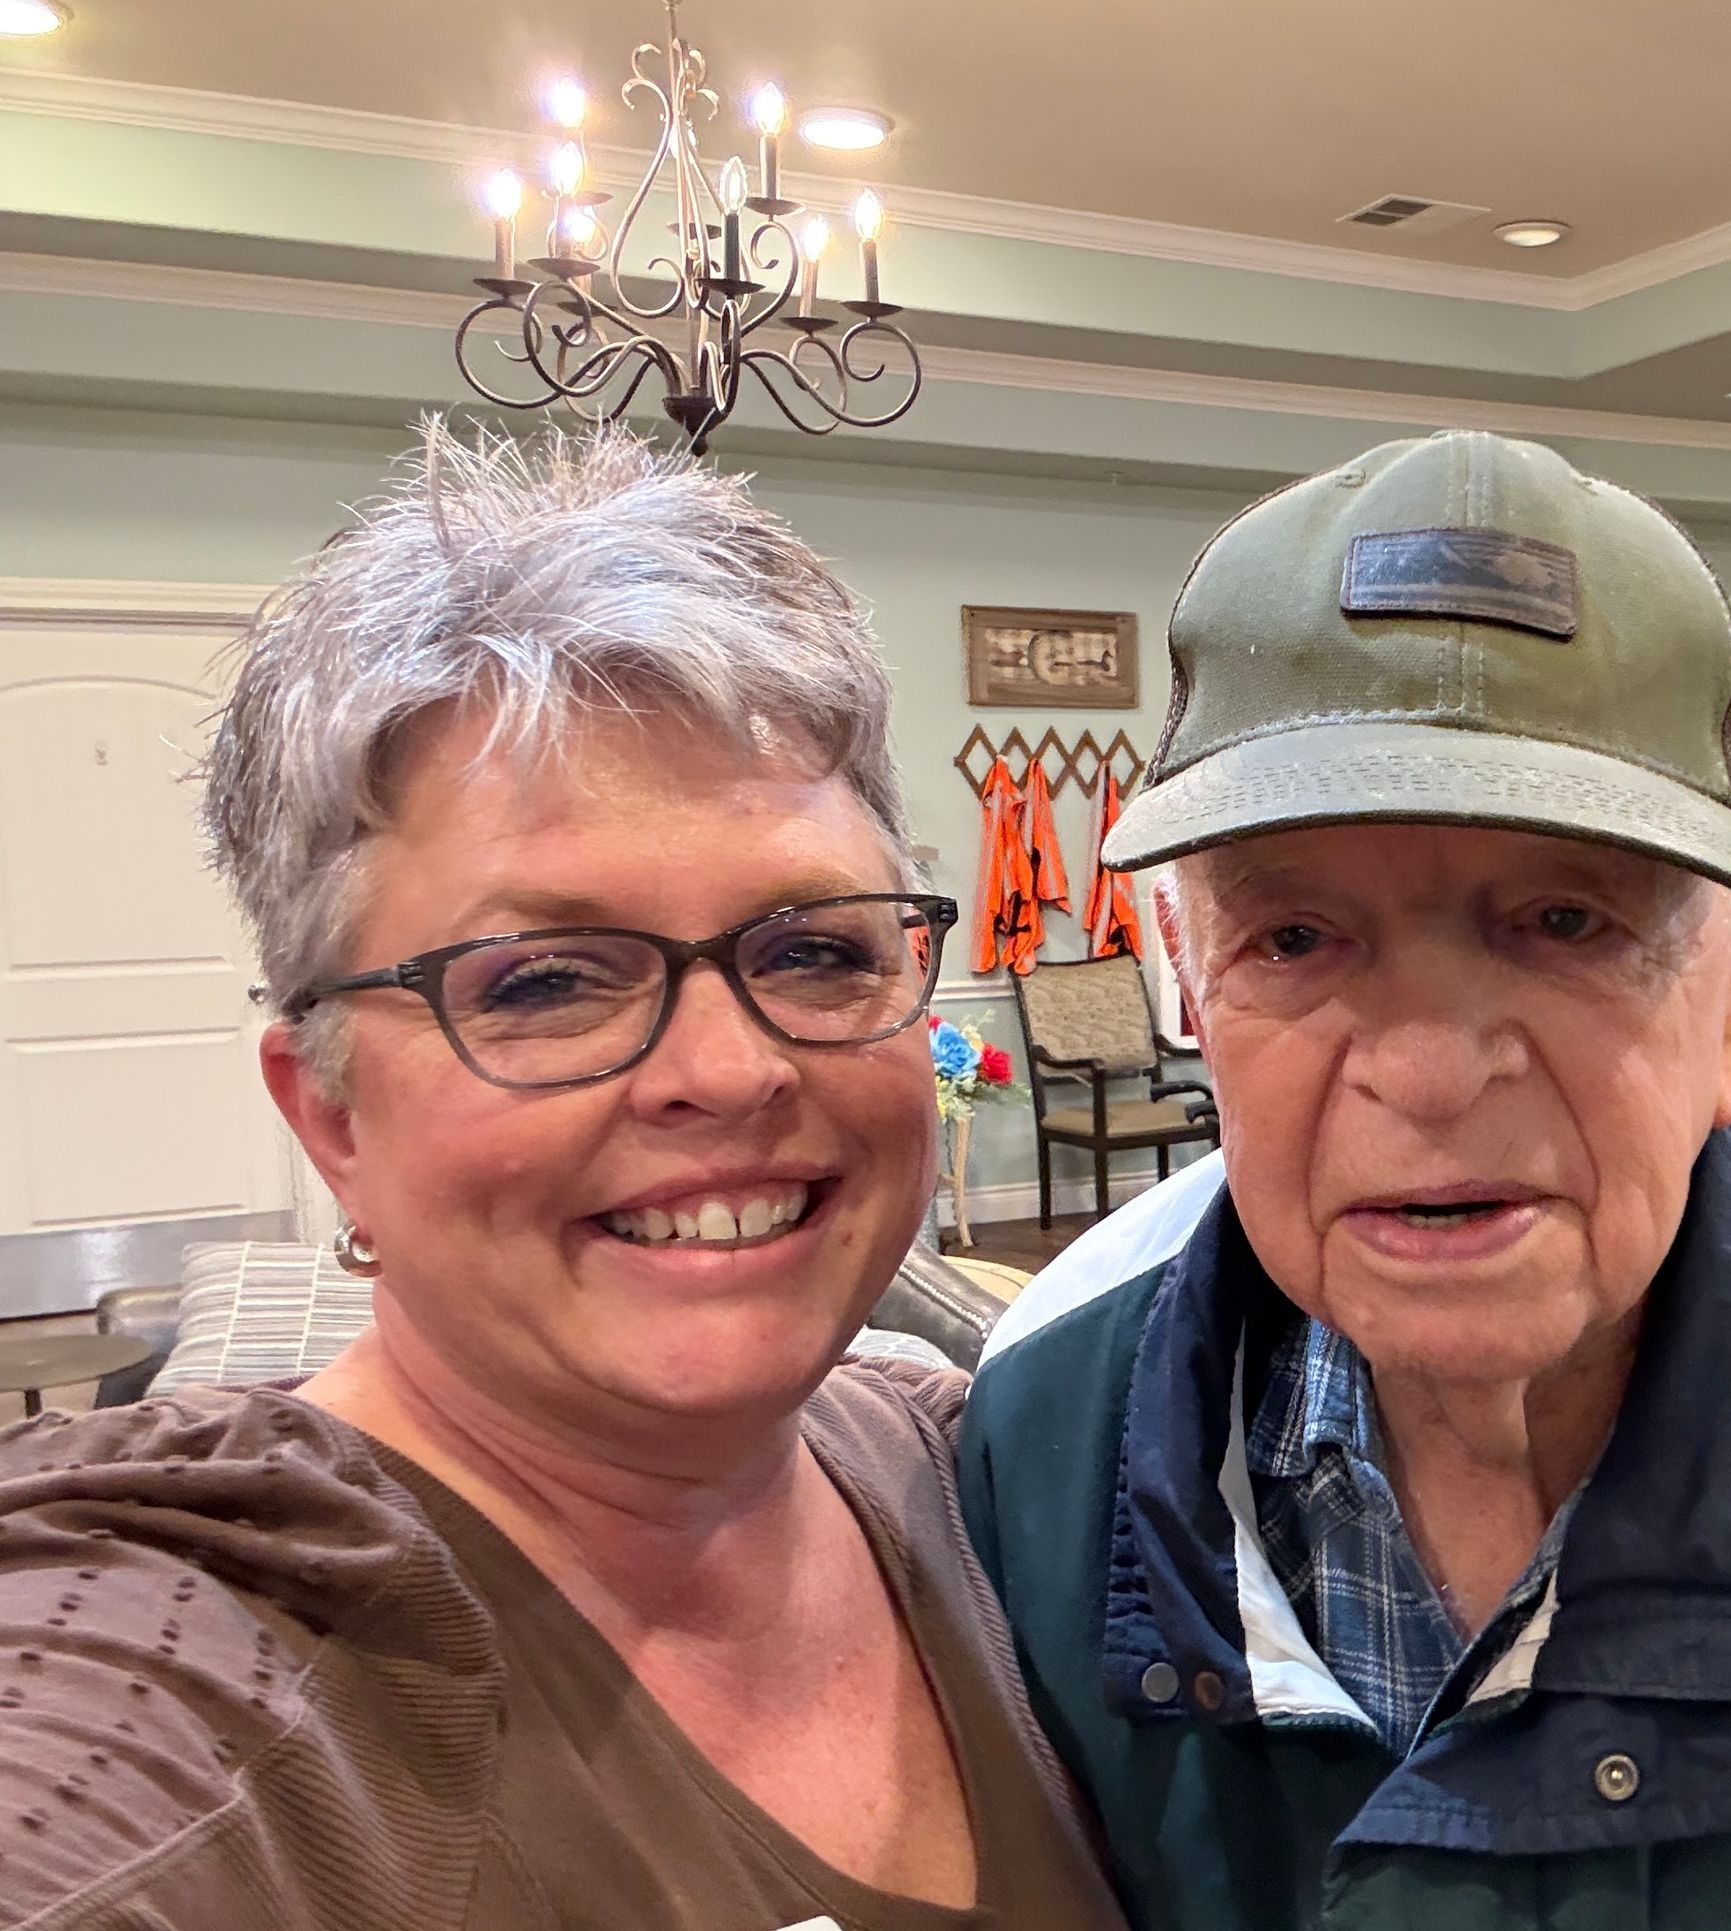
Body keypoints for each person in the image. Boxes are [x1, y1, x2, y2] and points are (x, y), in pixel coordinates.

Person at [0, 426, 1126, 1931]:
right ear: (328, 1118)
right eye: (543, 982)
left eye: (814, 950)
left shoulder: (977, 1477)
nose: (728, 1072)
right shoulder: (191, 1672)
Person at [958, 430, 1731, 1929]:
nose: (1427, 1071)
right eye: (1292, 939)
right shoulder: (1041, 1430)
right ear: (1190, 988)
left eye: (1563, 919)